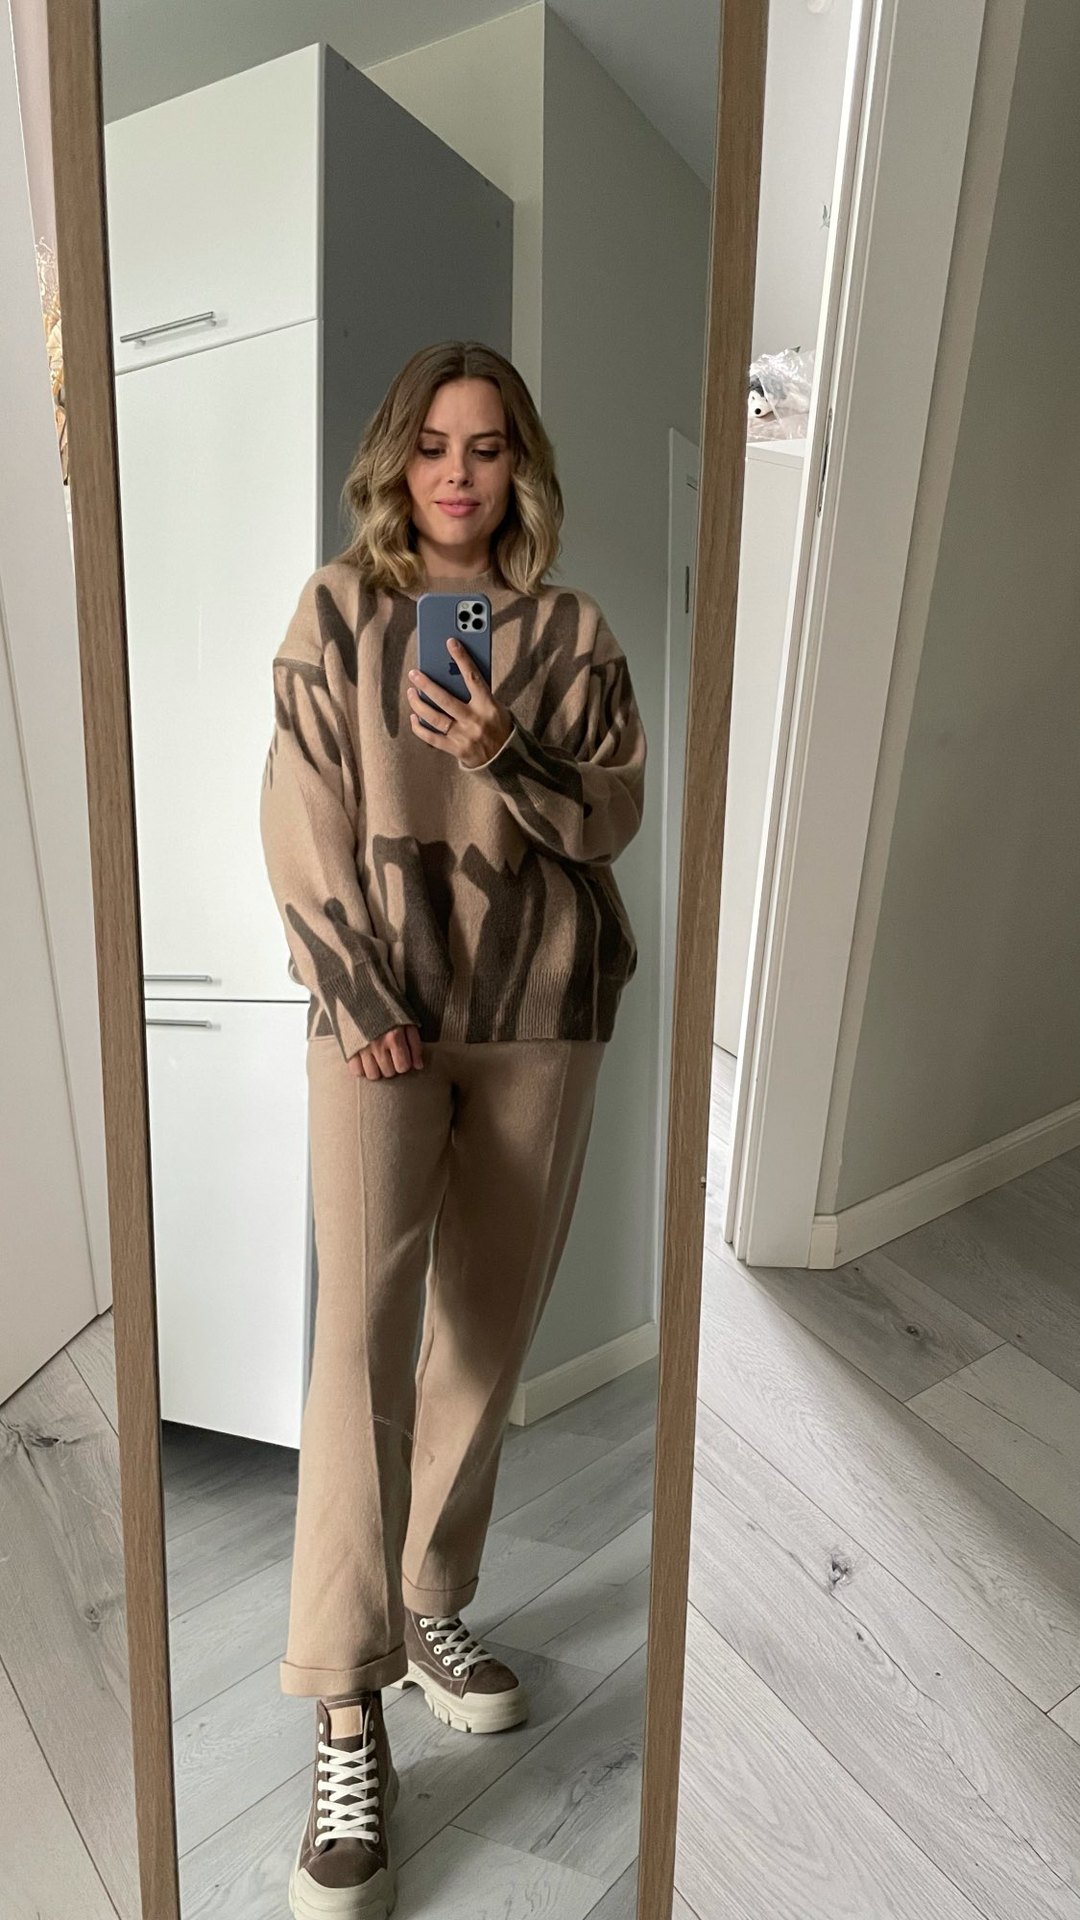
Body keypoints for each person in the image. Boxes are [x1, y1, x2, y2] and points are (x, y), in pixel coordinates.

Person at [259, 338, 646, 1919]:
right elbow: (301, 811)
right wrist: (354, 990)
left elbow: (611, 815)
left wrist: (504, 749)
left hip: (542, 1011)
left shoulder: (572, 633)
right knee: (358, 1341)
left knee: (484, 1336)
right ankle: (345, 1706)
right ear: (395, 461)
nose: (458, 474)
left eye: (488, 448)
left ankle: (429, 1601)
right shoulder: (338, 613)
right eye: (432, 445)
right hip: (382, 1020)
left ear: (520, 468)